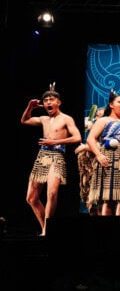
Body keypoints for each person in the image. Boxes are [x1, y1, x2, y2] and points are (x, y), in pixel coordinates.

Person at [21, 84, 82, 235]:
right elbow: (25, 120)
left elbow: (78, 137)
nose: (48, 102)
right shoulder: (43, 119)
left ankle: (47, 230)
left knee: (52, 193)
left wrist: (54, 142)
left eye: (51, 99)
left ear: (58, 102)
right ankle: (45, 227)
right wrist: (30, 106)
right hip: (42, 156)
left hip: (57, 156)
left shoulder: (66, 119)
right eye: (46, 100)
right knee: (31, 197)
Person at [74, 106, 104, 215]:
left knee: (99, 199)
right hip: (87, 169)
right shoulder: (93, 129)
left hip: (99, 168)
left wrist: (85, 147)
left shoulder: (106, 130)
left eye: (101, 117)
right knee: (89, 201)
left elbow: (103, 147)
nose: (97, 119)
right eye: (96, 116)